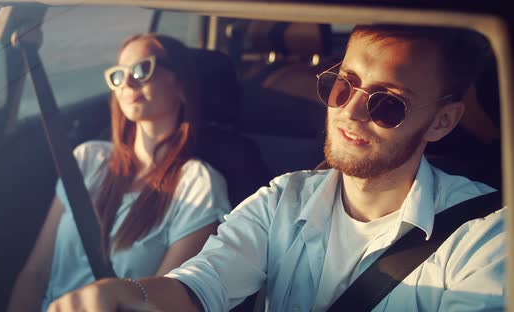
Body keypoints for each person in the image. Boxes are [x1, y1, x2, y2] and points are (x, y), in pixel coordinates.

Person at [47, 24, 505, 312]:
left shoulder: (484, 237)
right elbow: (202, 285)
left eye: (387, 104)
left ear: (441, 122)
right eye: (343, 86)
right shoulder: (280, 201)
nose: (350, 112)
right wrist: (134, 297)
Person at [7, 33, 231, 312]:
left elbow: (170, 300)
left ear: (181, 84)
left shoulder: (198, 184)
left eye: (142, 69)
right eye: (118, 75)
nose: (126, 82)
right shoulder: (87, 159)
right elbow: (36, 273)